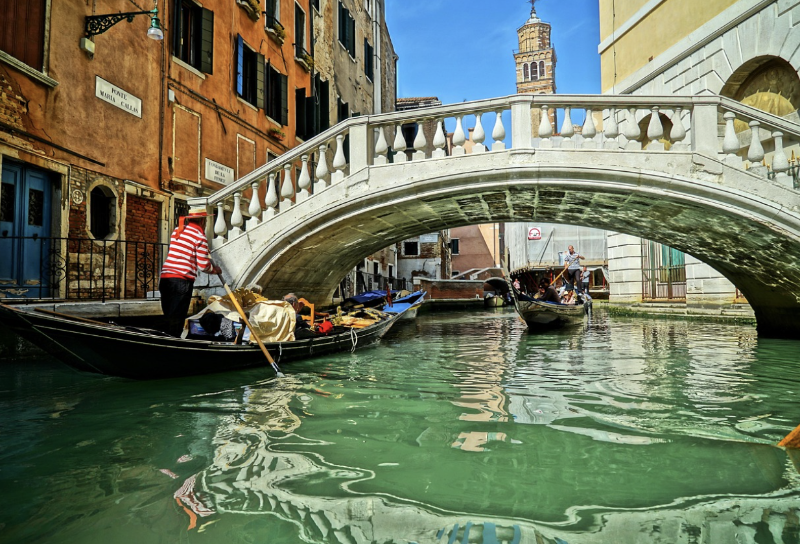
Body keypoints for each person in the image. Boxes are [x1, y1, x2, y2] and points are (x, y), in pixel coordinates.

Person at [159, 207, 221, 336]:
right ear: (203, 221)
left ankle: (166, 341)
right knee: (177, 320)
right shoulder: (200, 237)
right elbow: (203, 266)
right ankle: (172, 343)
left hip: (166, 279)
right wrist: (215, 270)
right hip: (181, 281)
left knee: (169, 316)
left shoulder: (177, 231)